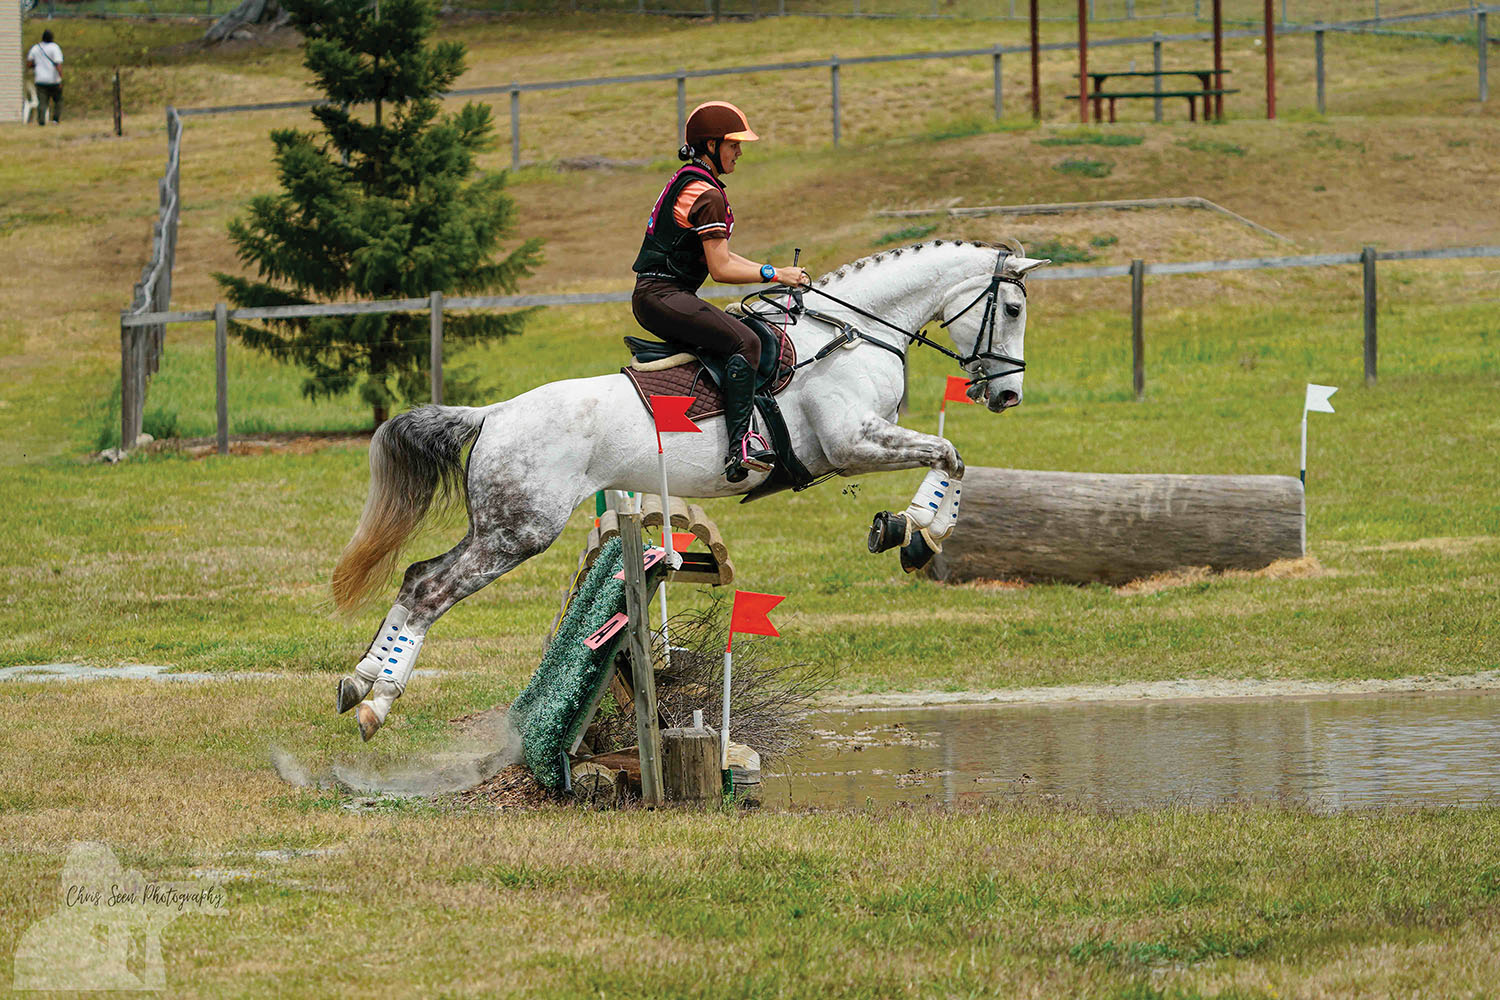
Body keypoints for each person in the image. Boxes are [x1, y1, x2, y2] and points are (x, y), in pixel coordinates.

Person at [632, 100, 809, 484]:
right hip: (663, 295)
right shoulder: (707, 194)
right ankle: (740, 447)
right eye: (733, 144)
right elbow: (721, 268)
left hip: (660, 295)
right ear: (711, 145)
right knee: (746, 342)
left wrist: (774, 272)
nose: (740, 152)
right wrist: (774, 273)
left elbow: (724, 256)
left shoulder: (692, 179)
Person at [27, 29, 63, 126]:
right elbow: (58, 64)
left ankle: (41, 121)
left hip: (40, 80)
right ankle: (55, 120)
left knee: (42, 102)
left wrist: (36, 66)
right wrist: (60, 78)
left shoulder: (36, 48)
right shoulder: (55, 48)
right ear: (52, 38)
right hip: (54, 80)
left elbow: (29, 63)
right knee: (58, 100)